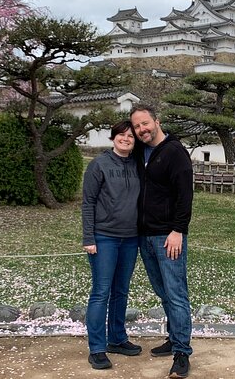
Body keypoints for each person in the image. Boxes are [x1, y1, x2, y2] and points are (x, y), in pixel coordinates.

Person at [130, 105, 194, 379]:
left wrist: (178, 229)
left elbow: (184, 194)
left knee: (176, 293)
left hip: (168, 236)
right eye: (137, 126)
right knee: (164, 292)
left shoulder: (174, 151)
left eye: (145, 123)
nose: (142, 129)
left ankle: (182, 352)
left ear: (157, 121)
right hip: (145, 234)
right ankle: (173, 337)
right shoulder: (139, 152)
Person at [81, 120, 142, 370]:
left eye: (131, 136)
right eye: (121, 135)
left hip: (131, 237)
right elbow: (88, 202)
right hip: (104, 237)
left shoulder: (139, 164)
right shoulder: (99, 164)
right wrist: (89, 238)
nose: (126, 139)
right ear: (113, 137)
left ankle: (117, 338)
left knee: (121, 291)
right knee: (101, 292)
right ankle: (97, 348)